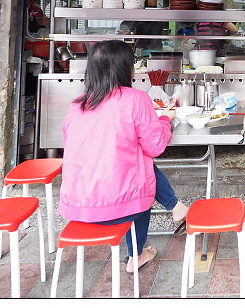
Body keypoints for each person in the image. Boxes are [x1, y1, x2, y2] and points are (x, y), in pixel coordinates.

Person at [57, 40, 189, 274]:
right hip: (121, 208)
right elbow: (155, 146)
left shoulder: (77, 105)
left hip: (77, 205)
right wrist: (164, 119)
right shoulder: (136, 99)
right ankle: (136, 254)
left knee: (130, 164)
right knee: (142, 171)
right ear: (124, 68)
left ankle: (176, 207)